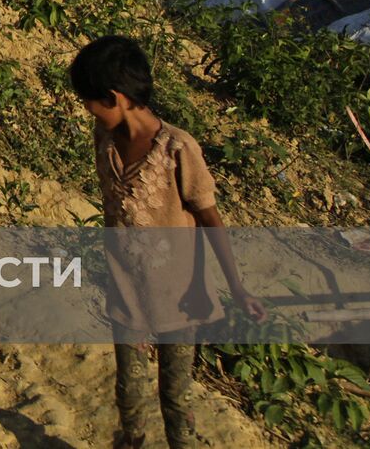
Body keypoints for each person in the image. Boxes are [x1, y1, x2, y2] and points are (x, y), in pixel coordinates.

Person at [68, 36, 266, 449]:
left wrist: (237, 287)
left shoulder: (178, 148)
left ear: (114, 97)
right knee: (130, 391)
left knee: (176, 397)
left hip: (180, 297)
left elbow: (210, 219)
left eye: (88, 100)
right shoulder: (104, 138)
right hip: (126, 290)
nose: (85, 108)